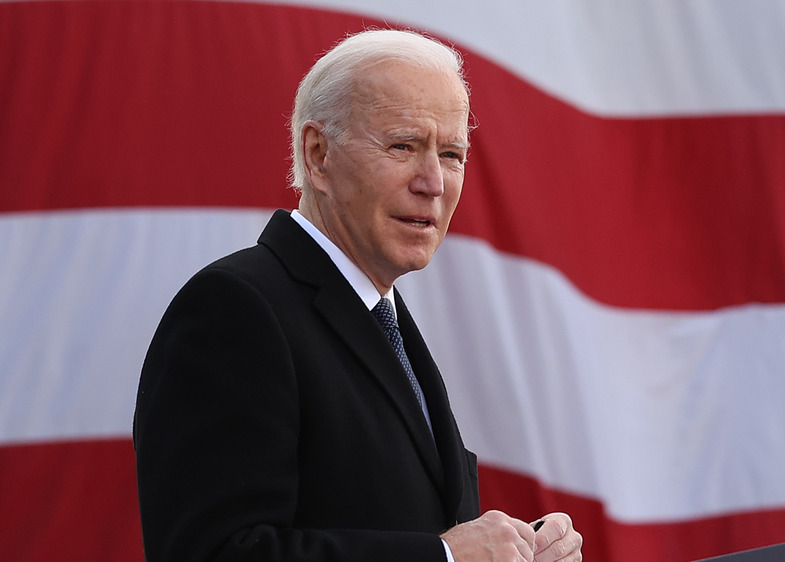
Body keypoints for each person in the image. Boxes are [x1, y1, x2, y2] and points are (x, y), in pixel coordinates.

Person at [133, 29, 583, 562]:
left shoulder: (381, 319)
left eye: (451, 153)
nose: (433, 182)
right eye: (403, 146)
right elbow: (212, 553)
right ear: (318, 155)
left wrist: (515, 552)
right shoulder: (235, 309)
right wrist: (445, 558)